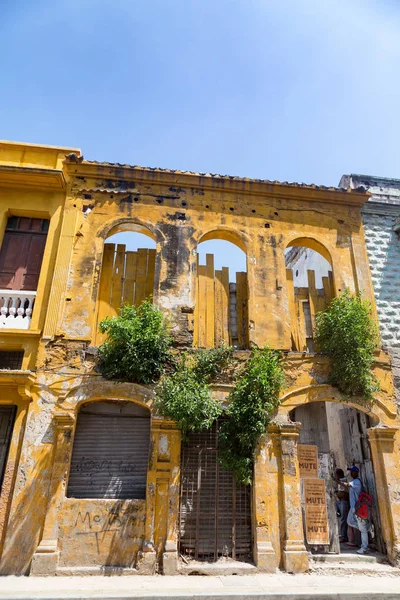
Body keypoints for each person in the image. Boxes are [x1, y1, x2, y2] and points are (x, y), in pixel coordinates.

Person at [340, 465, 369, 555]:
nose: (351, 473)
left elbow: (347, 485)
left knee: (362, 529)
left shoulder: (356, 482)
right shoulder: (354, 481)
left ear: (356, 472)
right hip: (354, 508)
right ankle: (366, 528)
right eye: (350, 471)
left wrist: (337, 481)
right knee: (349, 521)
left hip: (358, 508)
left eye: (352, 471)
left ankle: (364, 547)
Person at [335, 468, 350, 542]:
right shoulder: (339, 481)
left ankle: (344, 536)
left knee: (343, 519)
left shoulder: (343, 480)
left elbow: (344, 491)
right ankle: (340, 534)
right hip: (339, 501)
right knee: (339, 518)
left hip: (344, 501)